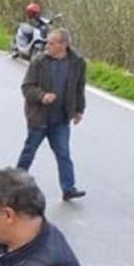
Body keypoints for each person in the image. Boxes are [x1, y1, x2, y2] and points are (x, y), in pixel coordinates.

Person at [16, 27, 87, 201]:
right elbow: (26, 87)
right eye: (48, 41)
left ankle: (68, 188)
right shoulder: (39, 61)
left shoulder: (77, 63)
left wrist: (79, 110)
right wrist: (42, 96)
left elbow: (79, 88)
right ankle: (14, 185)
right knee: (29, 152)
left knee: (63, 154)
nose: (47, 45)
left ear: (63, 45)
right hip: (39, 117)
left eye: (51, 43)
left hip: (61, 119)